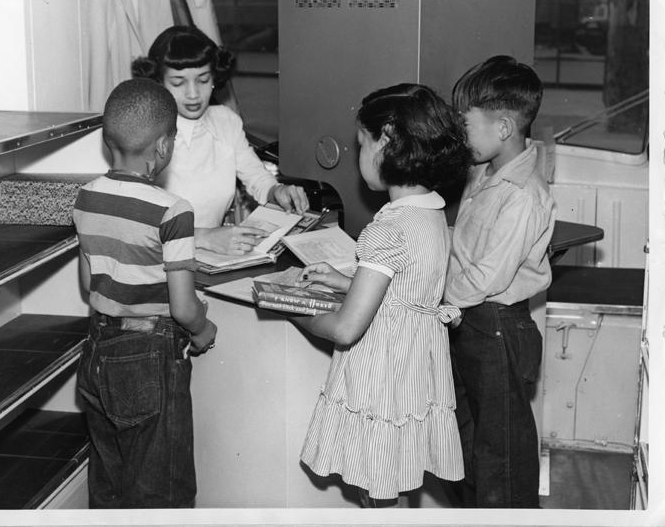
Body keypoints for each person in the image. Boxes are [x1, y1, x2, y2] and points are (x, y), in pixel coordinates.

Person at [290, 83, 472, 507]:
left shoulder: (386, 229)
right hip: (413, 365)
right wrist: (343, 281)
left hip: (383, 371)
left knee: (374, 482)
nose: (357, 156)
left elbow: (346, 328)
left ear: (387, 141)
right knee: (399, 469)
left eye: (361, 143)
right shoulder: (431, 209)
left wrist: (292, 306)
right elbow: (405, 286)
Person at [73, 78, 218, 508]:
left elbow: (88, 283)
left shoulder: (86, 197)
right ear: (164, 147)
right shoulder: (172, 210)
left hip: (97, 349)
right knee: (161, 494)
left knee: (110, 486)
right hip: (149, 359)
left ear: (107, 139)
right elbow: (184, 307)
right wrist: (204, 328)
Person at [445, 55, 556, 508]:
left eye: (465, 124)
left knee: (501, 458)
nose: (460, 134)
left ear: (504, 127)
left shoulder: (523, 196)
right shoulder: (483, 172)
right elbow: (463, 244)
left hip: (499, 329)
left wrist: (430, 295)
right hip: (471, 323)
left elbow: (488, 276)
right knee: (467, 444)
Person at [132, 25, 309, 257]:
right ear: (159, 82)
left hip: (213, 256)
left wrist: (277, 191)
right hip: (157, 258)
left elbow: (257, 178)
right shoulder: (142, 133)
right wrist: (204, 238)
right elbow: (135, 222)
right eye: (178, 83)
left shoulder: (227, 122)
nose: (194, 93)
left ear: (215, 78)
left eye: (203, 80)